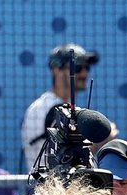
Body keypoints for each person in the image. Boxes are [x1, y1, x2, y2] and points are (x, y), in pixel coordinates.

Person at [21, 43, 102, 171]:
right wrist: (101, 138)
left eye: (87, 68)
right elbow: (68, 155)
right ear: (57, 70)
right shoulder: (48, 108)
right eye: (78, 67)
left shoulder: (54, 105)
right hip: (51, 186)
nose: (84, 73)